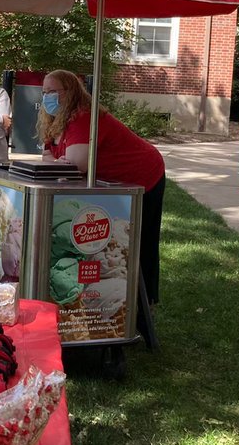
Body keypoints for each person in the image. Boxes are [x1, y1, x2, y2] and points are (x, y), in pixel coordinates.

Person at [38, 70, 167, 304]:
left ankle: (143, 304)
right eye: (44, 92)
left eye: (53, 92)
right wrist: (61, 162)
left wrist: (62, 162)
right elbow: (49, 157)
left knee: (141, 242)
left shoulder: (84, 117)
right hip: (115, 181)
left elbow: (76, 164)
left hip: (144, 174)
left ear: (70, 92)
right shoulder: (56, 122)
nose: (47, 97)